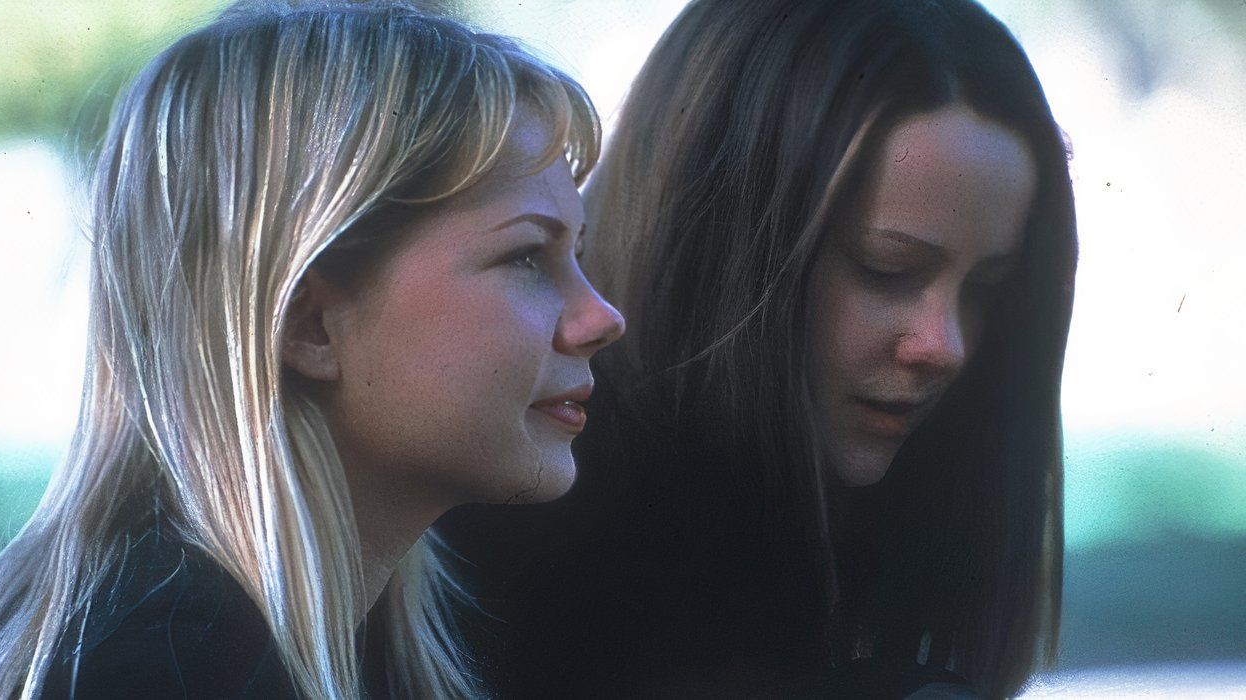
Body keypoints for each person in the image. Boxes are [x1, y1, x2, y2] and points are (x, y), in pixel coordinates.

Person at [0, 2, 622, 697]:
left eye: (579, 254)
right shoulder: (162, 669)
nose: (601, 317)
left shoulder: (202, 639)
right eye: (527, 256)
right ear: (308, 325)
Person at [440, 0, 1077, 696]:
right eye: (885, 269)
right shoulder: (510, 543)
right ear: (720, 236)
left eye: (986, 289)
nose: (945, 346)